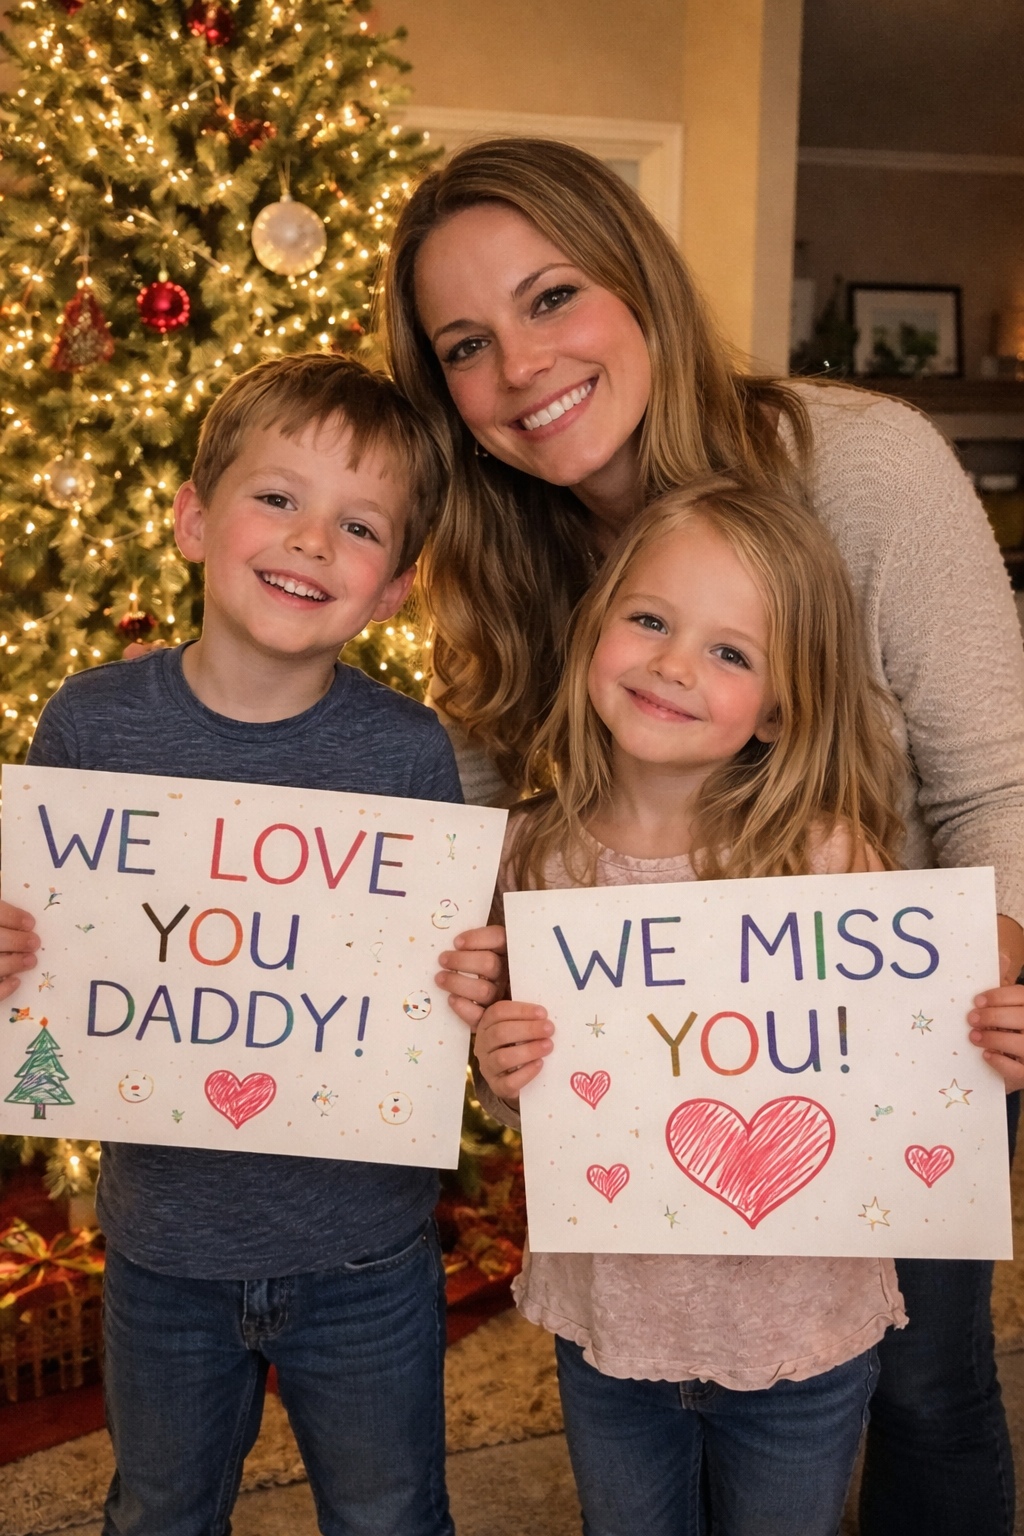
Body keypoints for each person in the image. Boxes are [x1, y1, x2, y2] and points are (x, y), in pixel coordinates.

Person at [391, 137, 1024, 1536]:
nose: (521, 366)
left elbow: (1000, 785)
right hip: (644, 1081)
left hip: (905, 1021)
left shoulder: (866, 467)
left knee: (917, 1381)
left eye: (553, 298)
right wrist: (488, 982)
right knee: (648, 1373)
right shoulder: (494, 553)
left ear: (642, 284)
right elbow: (492, 842)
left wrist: (989, 971)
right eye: (466, 344)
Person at [0, 353, 503, 1536]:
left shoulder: (406, 754)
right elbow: (47, 946)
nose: (310, 539)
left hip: (367, 1252)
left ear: (393, 591)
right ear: (192, 519)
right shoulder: (90, 724)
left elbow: (428, 974)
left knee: (390, 1513)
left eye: (359, 523)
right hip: (162, 1245)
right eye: (277, 497)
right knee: (162, 1512)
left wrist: (468, 981)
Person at [454, 478, 915, 1535]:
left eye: (731, 652)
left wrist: (976, 1054)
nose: (672, 664)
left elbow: (897, 1079)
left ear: (783, 705)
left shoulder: (829, 863)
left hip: (802, 1334)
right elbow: (549, 1094)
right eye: (650, 620)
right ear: (594, 627)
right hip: (610, 1326)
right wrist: (503, 1068)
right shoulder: (531, 854)